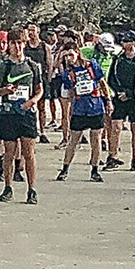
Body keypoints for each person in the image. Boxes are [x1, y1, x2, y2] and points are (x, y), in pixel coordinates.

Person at [0, 35, 41, 204]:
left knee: (29, 152)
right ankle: (8, 187)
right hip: (8, 114)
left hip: (27, 114)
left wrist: (32, 101)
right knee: (9, 152)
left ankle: (32, 190)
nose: (17, 47)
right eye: (13, 43)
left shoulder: (32, 65)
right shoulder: (3, 67)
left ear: (24, 44)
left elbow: (39, 89)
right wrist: (4, 90)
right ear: (8, 45)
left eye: (19, 43)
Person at [56, 43, 109, 182]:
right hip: (80, 109)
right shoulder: (68, 73)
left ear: (77, 53)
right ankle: (65, 169)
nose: (69, 58)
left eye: (71, 55)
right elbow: (71, 92)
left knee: (96, 140)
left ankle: (95, 169)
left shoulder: (91, 65)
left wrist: (108, 101)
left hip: (96, 106)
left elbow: (102, 82)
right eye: (66, 56)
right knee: (73, 140)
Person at [105, 33, 135, 172]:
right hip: (120, 97)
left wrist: (131, 94)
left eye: (128, 41)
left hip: (134, 98)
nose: (125, 43)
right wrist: (118, 92)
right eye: (123, 41)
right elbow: (111, 79)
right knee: (116, 126)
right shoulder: (118, 60)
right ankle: (113, 155)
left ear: (134, 43)